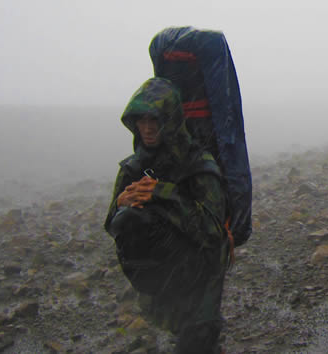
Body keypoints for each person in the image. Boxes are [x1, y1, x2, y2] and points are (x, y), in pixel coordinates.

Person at [104, 77, 230, 353]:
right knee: (179, 333)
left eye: (154, 120)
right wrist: (119, 205)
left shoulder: (198, 165)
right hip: (159, 277)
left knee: (198, 339)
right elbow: (113, 227)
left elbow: (212, 230)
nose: (147, 128)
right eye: (141, 120)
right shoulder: (132, 168)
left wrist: (162, 193)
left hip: (201, 271)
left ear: (170, 121)